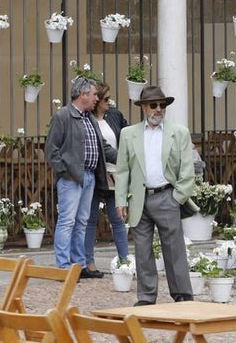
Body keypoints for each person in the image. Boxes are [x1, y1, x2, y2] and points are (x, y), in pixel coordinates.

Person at [115, 86, 197, 305]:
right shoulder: (128, 134)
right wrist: (121, 200)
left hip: (166, 195)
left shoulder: (179, 132)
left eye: (162, 105)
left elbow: (187, 170)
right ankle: (146, 297)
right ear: (144, 107)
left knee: (174, 250)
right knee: (142, 251)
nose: (159, 109)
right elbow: (122, 170)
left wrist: (177, 197)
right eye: (153, 105)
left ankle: (182, 295)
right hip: (138, 198)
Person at [45, 76, 116, 273]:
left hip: (89, 176)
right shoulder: (63, 116)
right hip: (72, 177)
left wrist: (125, 158)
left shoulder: (89, 118)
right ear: (83, 95)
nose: (97, 99)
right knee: (67, 221)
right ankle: (64, 266)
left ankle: (79, 265)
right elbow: (51, 149)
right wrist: (65, 171)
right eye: (94, 95)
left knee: (81, 222)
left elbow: (102, 147)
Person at [83, 83, 129, 276]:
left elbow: (127, 135)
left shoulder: (114, 116)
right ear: (97, 101)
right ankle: (88, 263)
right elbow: (103, 148)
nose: (109, 102)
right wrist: (124, 158)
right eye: (106, 99)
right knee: (90, 219)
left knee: (118, 218)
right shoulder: (87, 120)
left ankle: (125, 262)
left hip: (115, 175)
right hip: (97, 174)